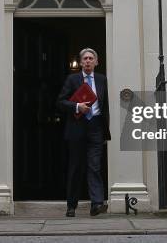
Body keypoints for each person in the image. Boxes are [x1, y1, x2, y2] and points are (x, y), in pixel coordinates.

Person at [57, 48, 110, 217]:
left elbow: (105, 106)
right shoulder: (72, 79)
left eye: (91, 58)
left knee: (94, 166)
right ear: (80, 63)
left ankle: (96, 204)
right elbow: (60, 102)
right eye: (85, 59)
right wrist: (77, 106)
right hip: (77, 127)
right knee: (76, 167)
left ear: (96, 62)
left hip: (96, 127)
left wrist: (104, 131)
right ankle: (71, 206)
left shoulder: (102, 79)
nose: (88, 61)